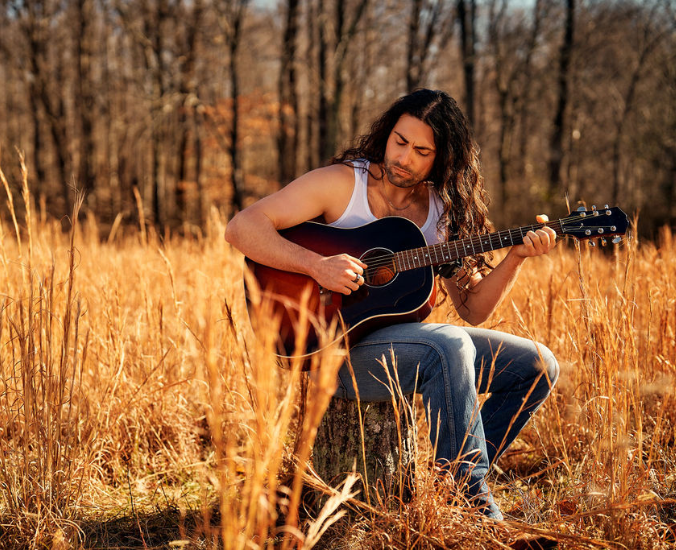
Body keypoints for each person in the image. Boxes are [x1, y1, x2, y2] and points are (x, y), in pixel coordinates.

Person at [225, 89, 560, 526]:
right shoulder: (343, 184)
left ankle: (447, 487)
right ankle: (474, 500)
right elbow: (242, 228)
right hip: (332, 352)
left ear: (442, 160)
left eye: (422, 151)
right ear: (387, 134)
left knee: (537, 365)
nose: (405, 157)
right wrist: (317, 265)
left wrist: (515, 256)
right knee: (449, 345)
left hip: (401, 350)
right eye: (400, 141)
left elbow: (473, 309)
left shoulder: (441, 213)